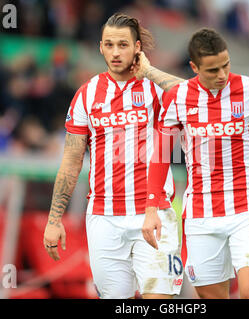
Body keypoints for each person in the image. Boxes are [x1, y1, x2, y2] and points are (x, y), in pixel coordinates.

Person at [140, 28, 249, 299]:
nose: (221, 75)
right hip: (201, 213)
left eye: (225, 65)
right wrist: (151, 207)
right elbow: (161, 155)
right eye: (212, 70)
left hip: (247, 208)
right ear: (194, 67)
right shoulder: (178, 98)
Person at [42, 13, 185, 299]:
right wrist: (54, 220)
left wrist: (151, 72)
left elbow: (200, 96)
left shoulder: (155, 88)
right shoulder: (86, 95)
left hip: (154, 213)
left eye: (123, 44)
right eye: (109, 44)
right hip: (104, 219)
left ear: (137, 48)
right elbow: (72, 161)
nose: (116, 52)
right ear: (100, 47)